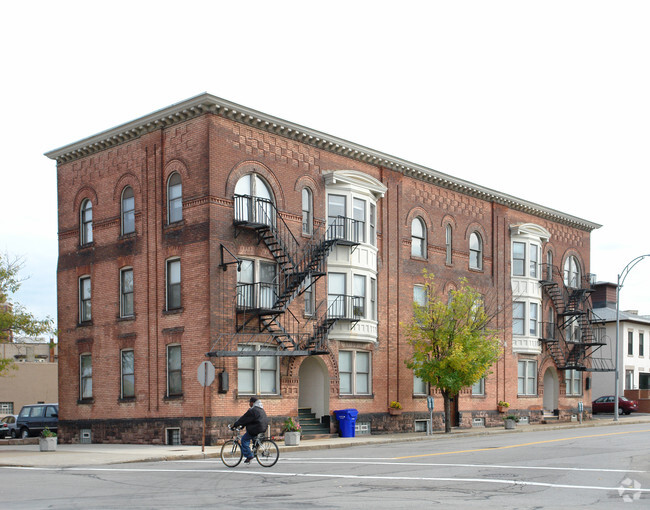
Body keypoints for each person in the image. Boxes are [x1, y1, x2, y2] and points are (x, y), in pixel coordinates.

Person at [232, 396, 269, 463]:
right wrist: (243, 425)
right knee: (254, 440)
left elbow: (243, 419)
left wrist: (235, 425)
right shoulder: (261, 409)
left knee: (244, 439)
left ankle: (249, 456)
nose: (249, 404)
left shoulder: (252, 410)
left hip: (256, 429)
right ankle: (255, 450)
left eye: (250, 402)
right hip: (263, 428)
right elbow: (249, 420)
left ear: (252, 402)